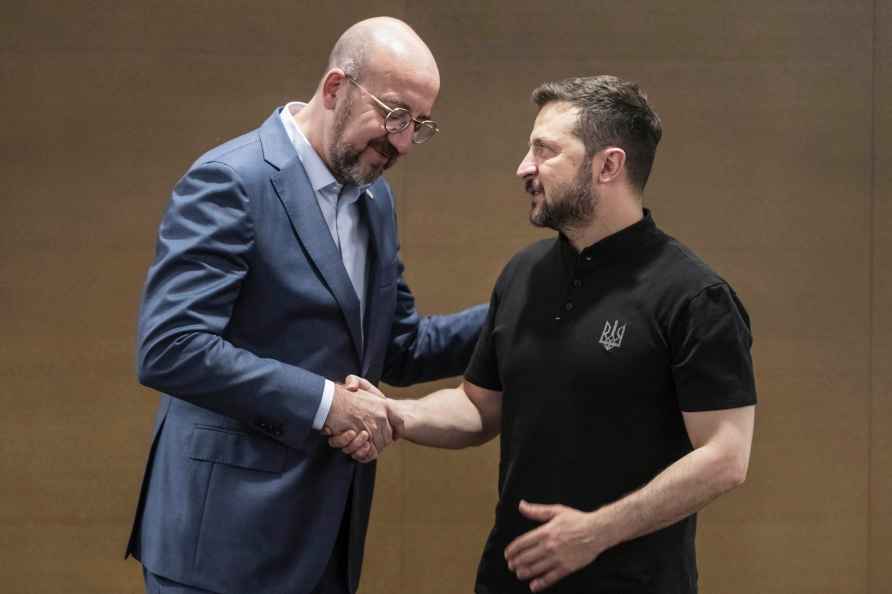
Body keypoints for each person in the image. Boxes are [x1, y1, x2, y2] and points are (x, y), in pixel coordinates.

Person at [333, 75, 757, 593]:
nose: (524, 167)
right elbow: (478, 408)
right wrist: (395, 413)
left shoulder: (694, 296)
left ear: (608, 166)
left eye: (544, 150)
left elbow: (726, 457)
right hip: (509, 579)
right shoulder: (523, 274)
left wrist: (596, 532)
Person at [125, 17, 487, 594]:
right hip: (220, 543)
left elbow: (397, 347)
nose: (400, 142)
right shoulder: (230, 180)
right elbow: (171, 348)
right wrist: (327, 404)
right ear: (336, 88)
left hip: (324, 540)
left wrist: (518, 307)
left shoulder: (375, 200)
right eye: (393, 115)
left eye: (417, 126)